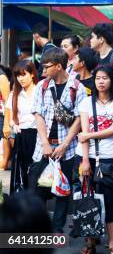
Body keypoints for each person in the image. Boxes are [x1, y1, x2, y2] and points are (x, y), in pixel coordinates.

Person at [28, 48, 87, 234]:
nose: (43, 71)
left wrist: (65, 145)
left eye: (46, 67)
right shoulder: (42, 86)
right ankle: (38, 227)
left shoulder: (77, 88)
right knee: (37, 190)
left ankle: (57, 229)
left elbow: (79, 119)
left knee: (63, 191)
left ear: (59, 66)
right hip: (42, 147)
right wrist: (45, 143)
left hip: (67, 148)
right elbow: (38, 115)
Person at [78, 65, 113, 254]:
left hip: (109, 158)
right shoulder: (86, 103)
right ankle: (90, 242)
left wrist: (89, 136)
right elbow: (83, 133)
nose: (101, 81)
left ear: (111, 80)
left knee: (110, 201)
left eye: (105, 78)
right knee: (88, 201)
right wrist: (84, 160)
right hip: (87, 157)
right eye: (98, 78)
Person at [6, 60, 38, 191]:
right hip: (21, 135)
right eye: (18, 76)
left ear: (32, 74)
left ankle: (36, 203)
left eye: (24, 74)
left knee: (36, 171)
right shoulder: (15, 94)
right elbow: (11, 117)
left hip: (38, 135)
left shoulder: (40, 90)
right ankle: (23, 204)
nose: (21, 79)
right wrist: (14, 126)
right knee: (21, 171)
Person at [0, 65, 11, 170]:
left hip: (1, 116)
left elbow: (7, 101)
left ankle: (5, 162)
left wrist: (6, 122)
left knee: (5, 137)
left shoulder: (1, 77)